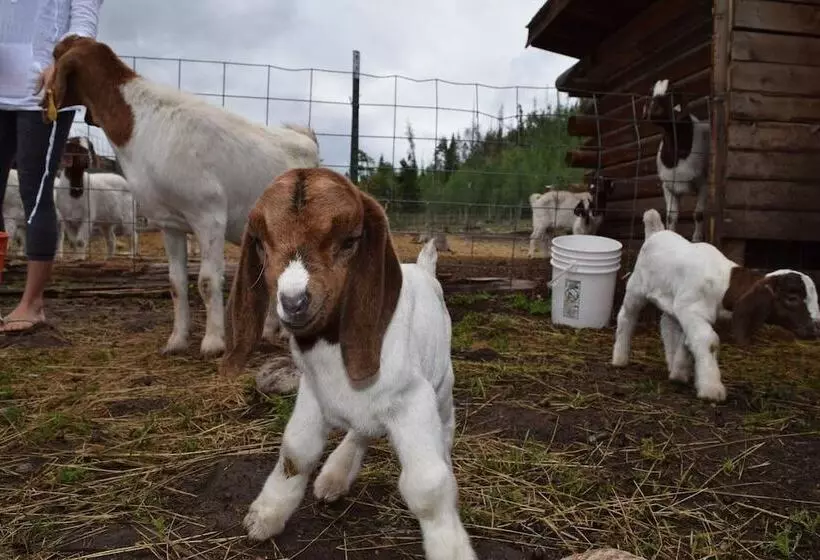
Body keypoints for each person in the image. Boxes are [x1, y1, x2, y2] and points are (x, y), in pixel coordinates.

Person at [0, 0, 104, 334]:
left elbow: (84, 20)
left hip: (43, 91)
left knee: (36, 191)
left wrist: (62, 61)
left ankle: (32, 304)